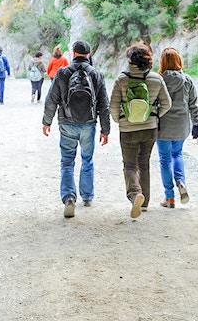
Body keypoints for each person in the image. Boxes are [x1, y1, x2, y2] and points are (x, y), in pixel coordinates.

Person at [42, 40, 110, 218]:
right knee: (87, 159)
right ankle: (87, 196)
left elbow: (51, 99)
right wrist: (106, 129)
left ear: (73, 53)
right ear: (89, 54)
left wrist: (46, 121)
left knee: (67, 162)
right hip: (89, 123)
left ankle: (69, 197)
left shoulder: (63, 73)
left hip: (66, 122)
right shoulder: (95, 74)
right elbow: (104, 104)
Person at [110, 42, 172, 218]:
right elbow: (167, 104)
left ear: (130, 60)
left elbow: (113, 106)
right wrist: (154, 115)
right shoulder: (156, 79)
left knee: (130, 165)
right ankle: (144, 204)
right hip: (149, 129)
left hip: (128, 129)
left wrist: (120, 120)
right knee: (144, 164)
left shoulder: (122, 79)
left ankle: (135, 193)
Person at [157, 46, 198, 208]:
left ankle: (169, 197)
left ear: (162, 62)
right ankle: (181, 182)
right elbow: (193, 104)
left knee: (164, 159)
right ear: (178, 61)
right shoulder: (187, 79)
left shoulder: (158, 79)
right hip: (182, 125)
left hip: (163, 125)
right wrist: (196, 123)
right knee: (177, 154)